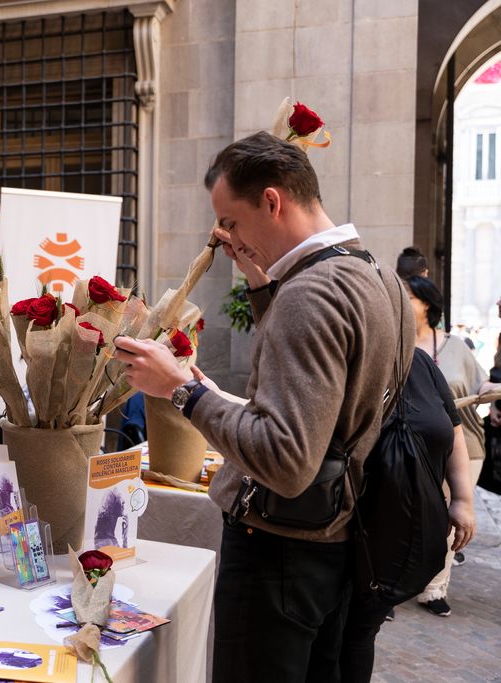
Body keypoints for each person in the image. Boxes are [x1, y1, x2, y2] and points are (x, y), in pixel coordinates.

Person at [113, 131, 412, 682]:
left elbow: (286, 458)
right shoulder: (380, 278)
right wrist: (259, 278)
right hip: (337, 540)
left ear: (272, 201)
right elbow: (332, 398)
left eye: (230, 220)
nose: (225, 234)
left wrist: (183, 389)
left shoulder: (312, 294)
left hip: (279, 551)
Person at [337, 347, 476, 681]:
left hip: (401, 531)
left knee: (360, 631)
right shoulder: (348, 347)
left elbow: (453, 428)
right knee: (340, 631)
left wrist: (462, 499)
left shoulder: (419, 361)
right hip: (343, 528)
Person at [404, 275, 499, 614]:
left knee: (447, 517)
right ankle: (395, 583)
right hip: (412, 447)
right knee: (407, 514)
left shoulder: (456, 346)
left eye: (409, 296)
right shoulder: (396, 345)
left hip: (465, 444)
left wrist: (495, 399)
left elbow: (483, 382)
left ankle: (433, 589)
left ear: (427, 304)